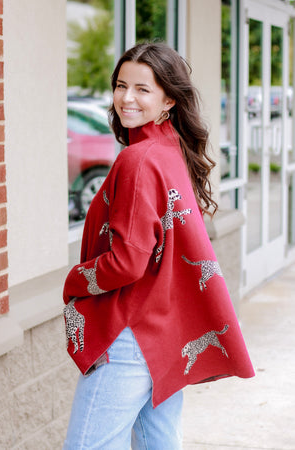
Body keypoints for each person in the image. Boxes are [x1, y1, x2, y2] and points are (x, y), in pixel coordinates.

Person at [63, 42, 254, 449]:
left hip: (129, 331)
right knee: (158, 442)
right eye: (120, 85)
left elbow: (127, 262)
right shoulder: (170, 150)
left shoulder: (138, 158)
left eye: (142, 89)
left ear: (168, 98)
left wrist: (74, 280)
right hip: (163, 331)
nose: (126, 97)